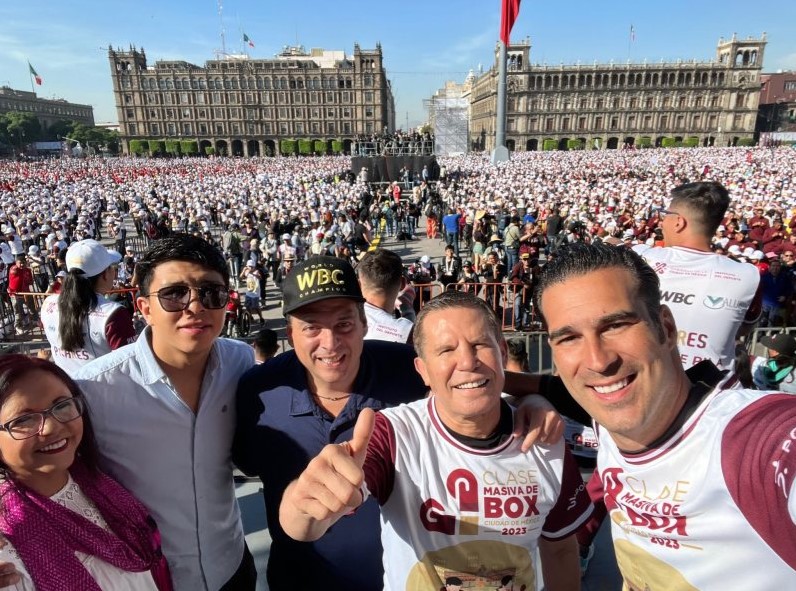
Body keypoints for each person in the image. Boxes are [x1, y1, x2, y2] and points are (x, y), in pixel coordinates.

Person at [234, 257, 562, 590]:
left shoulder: (402, 366)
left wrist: (530, 400)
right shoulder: (258, 392)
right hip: (299, 581)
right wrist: (300, 506)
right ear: (290, 333)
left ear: (364, 323)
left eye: (344, 324)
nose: (330, 343)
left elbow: (471, 379)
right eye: (311, 327)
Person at [535, 242, 796, 589]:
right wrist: (524, 397)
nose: (598, 361)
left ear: (666, 328)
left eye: (616, 326)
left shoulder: (757, 442)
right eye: (569, 338)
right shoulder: (611, 418)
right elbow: (555, 390)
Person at [75, 234, 257, 591]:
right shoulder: (93, 388)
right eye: (174, 294)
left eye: (211, 293)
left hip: (231, 564)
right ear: (143, 308)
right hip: (149, 579)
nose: (195, 306)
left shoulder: (241, 360)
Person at [0, 354, 172, 591]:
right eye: (24, 419)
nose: (52, 427)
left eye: (61, 405)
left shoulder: (100, 484)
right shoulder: (8, 543)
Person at [633, 181, 761, 370]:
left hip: (651, 381)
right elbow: (743, 328)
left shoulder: (638, 256)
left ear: (678, 222)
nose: (662, 222)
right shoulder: (749, 275)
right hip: (714, 389)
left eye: (666, 215)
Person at [40, 239, 136, 373]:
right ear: (104, 274)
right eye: (112, 267)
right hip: (106, 391)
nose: (114, 272)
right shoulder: (113, 314)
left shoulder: (48, 303)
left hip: (68, 387)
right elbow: (132, 366)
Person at [356, 249, 413, 343]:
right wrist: (408, 310)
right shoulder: (408, 331)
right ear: (403, 284)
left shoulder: (346, 320)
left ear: (359, 285)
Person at [7, 254, 36, 336]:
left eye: (24, 262)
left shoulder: (27, 270)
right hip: (15, 294)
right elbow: (14, 271)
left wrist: (29, 272)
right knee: (18, 312)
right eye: (20, 263)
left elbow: (30, 281)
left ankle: (35, 321)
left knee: (32, 308)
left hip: (26, 292)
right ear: (16, 263)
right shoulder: (14, 269)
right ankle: (18, 327)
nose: (22, 264)